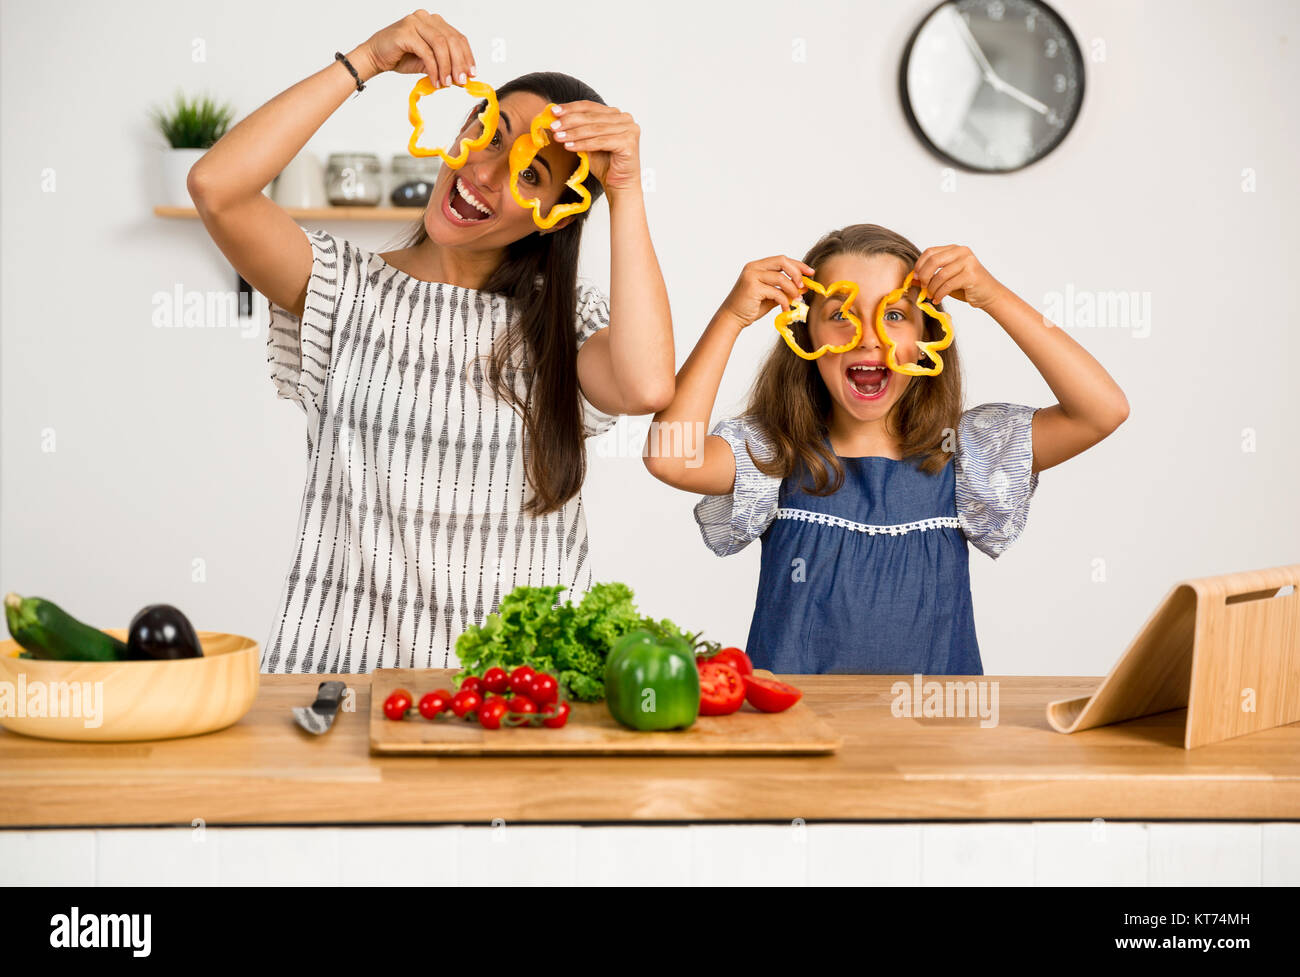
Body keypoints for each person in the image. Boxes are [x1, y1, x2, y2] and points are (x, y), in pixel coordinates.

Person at [188, 12, 675, 671]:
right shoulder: (342, 288)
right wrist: (365, 59)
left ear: (554, 217)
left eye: (532, 175)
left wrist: (626, 188)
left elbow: (647, 385)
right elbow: (217, 187)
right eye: (488, 134)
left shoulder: (563, 327)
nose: (487, 171)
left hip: (515, 701)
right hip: (343, 687)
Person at [644, 223, 1129, 674]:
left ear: (925, 337)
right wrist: (731, 318)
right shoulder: (775, 454)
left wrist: (994, 297)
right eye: (840, 316)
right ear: (803, 332)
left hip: (933, 744)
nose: (869, 336)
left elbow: (1102, 410)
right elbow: (671, 455)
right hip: (797, 735)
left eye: (894, 315)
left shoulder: (966, 453)